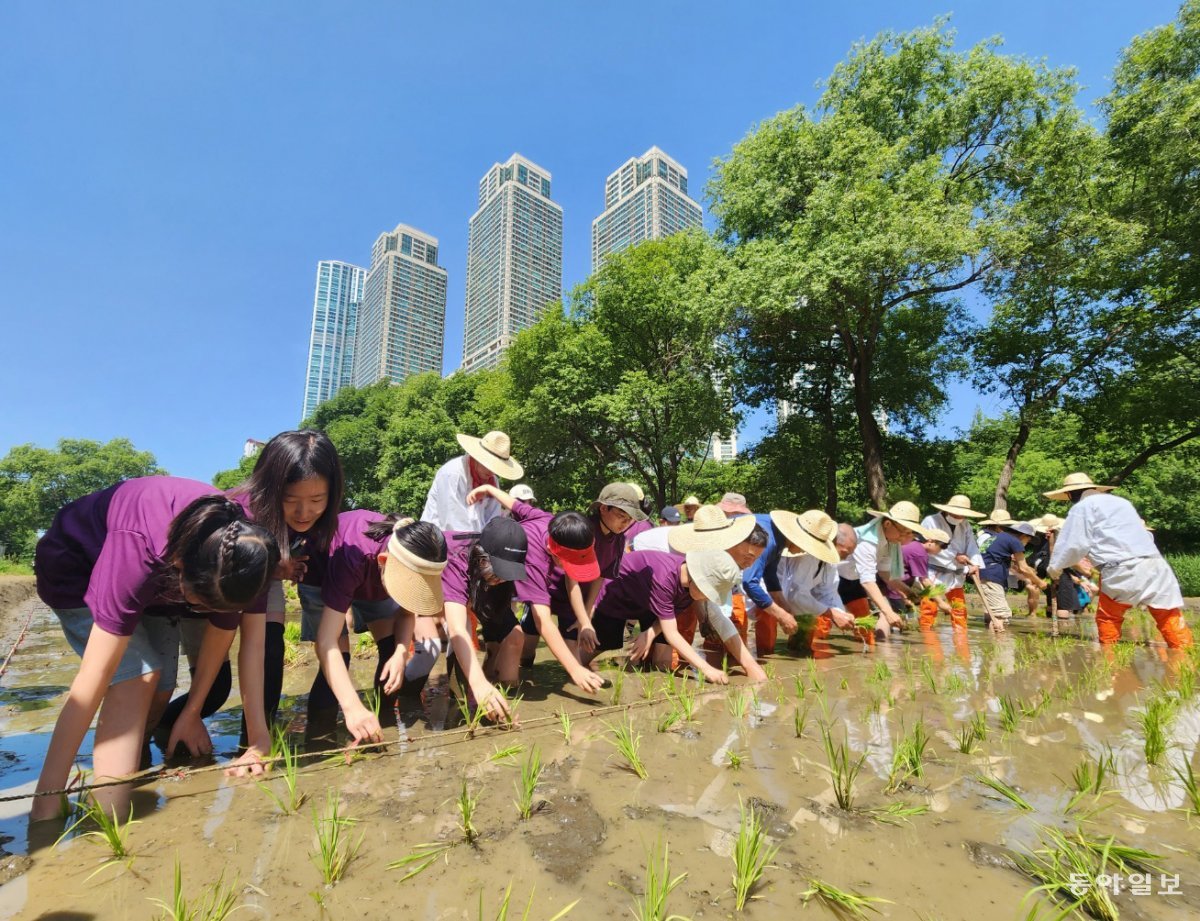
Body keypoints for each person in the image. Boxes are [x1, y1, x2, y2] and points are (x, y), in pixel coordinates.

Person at [31, 480, 280, 821]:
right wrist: (48, 797)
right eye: (198, 602)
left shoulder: (243, 552)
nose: (199, 612)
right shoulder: (139, 549)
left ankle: (135, 758)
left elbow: (238, 644)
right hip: (76, 568)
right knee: (139, 676)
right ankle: (109, 811)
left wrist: (243, 735)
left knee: (162, 689)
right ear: (181, 568)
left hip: (159, 587)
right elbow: (92, 679)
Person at [157, 429, 344, 753]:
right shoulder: (242, 514)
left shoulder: (320, 520)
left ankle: (253, 742)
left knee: (270, 653)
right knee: (216, 688)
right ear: (271, 490)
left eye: (316, 501)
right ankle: (161, 734)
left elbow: (257, 644)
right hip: (208, 579)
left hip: (263, 579)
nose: (304, 513)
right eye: (290, 501)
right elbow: (240, 633)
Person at [312, 517, 449, 749]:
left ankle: (381, 726)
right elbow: (326, 642)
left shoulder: (414, 554)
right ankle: (318, 743)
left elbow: (407, 614)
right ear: (384, 562)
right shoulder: (352, 556)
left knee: (389, 653)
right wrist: (352, 706)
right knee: (339, 659)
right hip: (324, 571)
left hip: (376, 581)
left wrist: (401, 651)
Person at [467, 484, 606, 694]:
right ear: (552, 551)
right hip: (489, 581)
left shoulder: (550, 522)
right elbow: (543, 621)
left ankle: (498, 688)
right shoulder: (536, 560)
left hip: (507, 580)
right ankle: (485, 693)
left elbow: (517, 506)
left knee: (509, 643)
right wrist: (575, 669)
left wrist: (490, 489)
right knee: (507, 642)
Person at [400, 518, 528, 722]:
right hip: (421, 587)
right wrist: (479, 685)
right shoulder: (456, 558)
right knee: (430, 651)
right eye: (499, 571)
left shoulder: (492, 569)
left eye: (508, 573)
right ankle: (404, 704)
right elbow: (457, 628)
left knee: (508, 636)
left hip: (463, 591)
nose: (503, 579)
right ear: (482, 557)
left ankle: (480, 701)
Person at [1045, 473, 1193, 648]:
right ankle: (1185, 659)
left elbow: (1074, 545)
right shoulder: (1122, 503)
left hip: (1120, 569)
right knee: (1168, 614)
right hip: (1154, 564)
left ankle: (1111, 663)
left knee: (1109, 617)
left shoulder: (1082, 508)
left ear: (1070, 494)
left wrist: (1054, 569)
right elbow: (1145, 534)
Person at [517, 482, 648, 667]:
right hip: (549, 591)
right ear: (603, 508)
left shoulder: (618, 540)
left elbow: (600, 577)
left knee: (573, 658)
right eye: (621, 516)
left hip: (574, 603)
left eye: (630, 519)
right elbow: (572, 581)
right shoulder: (585, 532)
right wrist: (585, 620)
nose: (625, 523)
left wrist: (585, 616)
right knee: (526, 652)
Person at [583, 549, 764, 682]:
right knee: (596, 649)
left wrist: (650, 634)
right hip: (613, 598)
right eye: (708, 593)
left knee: (663, 660)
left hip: (648, 605)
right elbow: (672, 633)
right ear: (698, 580)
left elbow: (669, 617)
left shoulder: (689, 586)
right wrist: (707, 670)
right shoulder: (665, 580)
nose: (707, 599)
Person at [717, 493, 797, 657]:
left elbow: (770, 575)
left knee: (737, 634)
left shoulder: (777, 539)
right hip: (722, 580)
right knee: (733, 628)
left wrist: (783, 605)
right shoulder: (766, 536)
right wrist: (782, 615)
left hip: (732, 583)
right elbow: (749, 582)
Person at [838, 501, 930, 639]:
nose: (904, 538)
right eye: (903, 532)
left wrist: (908, 592)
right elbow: (868, 581)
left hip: (854, 582)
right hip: (836, 579)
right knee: (818, 627)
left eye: (909, 533)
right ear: (887, 524)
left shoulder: (890, 542)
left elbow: (885, 573)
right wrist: (888, 612)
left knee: (865, 632)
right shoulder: (867, 542)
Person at [770, 513, 855, 653]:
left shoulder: (831, 561)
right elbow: (795, 595)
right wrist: (832, 613)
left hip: (792, 602)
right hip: (771, 595)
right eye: (845, 552)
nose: (847, 557)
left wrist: (842, 614)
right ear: (835, 544)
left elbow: (828, 592)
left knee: (802, 648)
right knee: (767, 642)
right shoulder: (807, 555)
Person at [421, 431, 523, 532]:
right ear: (478, 458)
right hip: (437, 540)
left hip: (475, 542)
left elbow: (493, 519)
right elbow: (453, 522)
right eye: (489, 465)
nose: (491, 472)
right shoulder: (453, 473)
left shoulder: (493, 481)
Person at [919, 494, 984, 630]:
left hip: (956, 572)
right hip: (934, 570)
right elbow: (930, 545)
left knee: (959, 608)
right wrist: (955, 555)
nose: (959, 517)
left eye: (962, 514)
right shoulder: (931, 521)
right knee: (929, 608)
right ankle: (927, 637)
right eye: (956, 513)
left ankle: (961, 638)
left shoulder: (965, 524)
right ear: (948, 509)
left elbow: (971, 545)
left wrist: (975, 564)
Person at [978, 521, 1045, 632]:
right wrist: (1040, 582)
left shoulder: (997, 537)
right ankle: (1001, 646)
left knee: (993, 614)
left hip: (983, 574)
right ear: (1024, 535)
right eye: (1028, 540)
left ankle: (991, 644)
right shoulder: (1015, 541)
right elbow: (1024, 568)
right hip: (992, 576)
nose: (1027, 543)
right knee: (1001, 616)